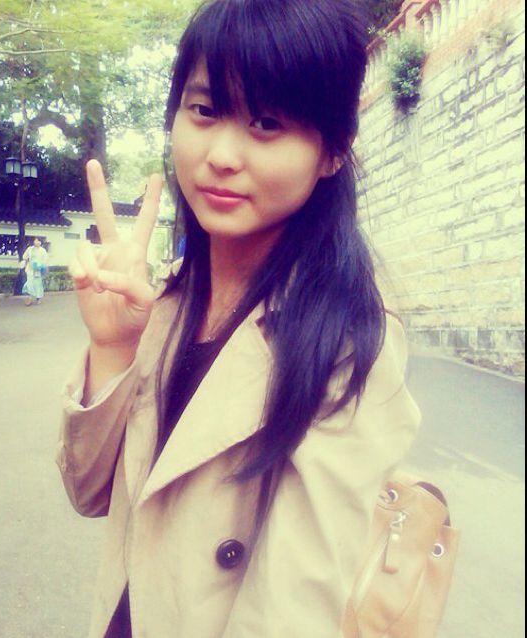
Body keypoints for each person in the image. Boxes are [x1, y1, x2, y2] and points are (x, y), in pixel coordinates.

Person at [58, 0, 422, 636]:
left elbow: (293, 614)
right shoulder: (166, 304)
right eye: (204, 110)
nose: (222, 154)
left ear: (333, 152)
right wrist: (113, 347)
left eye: (267, 122)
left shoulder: (348, 343)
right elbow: (89, 494)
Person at [21, 238, 48, 305]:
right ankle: (29, 298)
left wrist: (42, 266)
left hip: (38, 270)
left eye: (39, 241)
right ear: (33, 241)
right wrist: (24, 263)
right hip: (30, 269)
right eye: (36, 240)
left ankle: (38, 298)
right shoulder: (30, 249)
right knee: (30, 283)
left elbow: (45, 260)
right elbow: (25, 257)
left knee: (38, 284)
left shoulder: (43, 250)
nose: (38, 242)